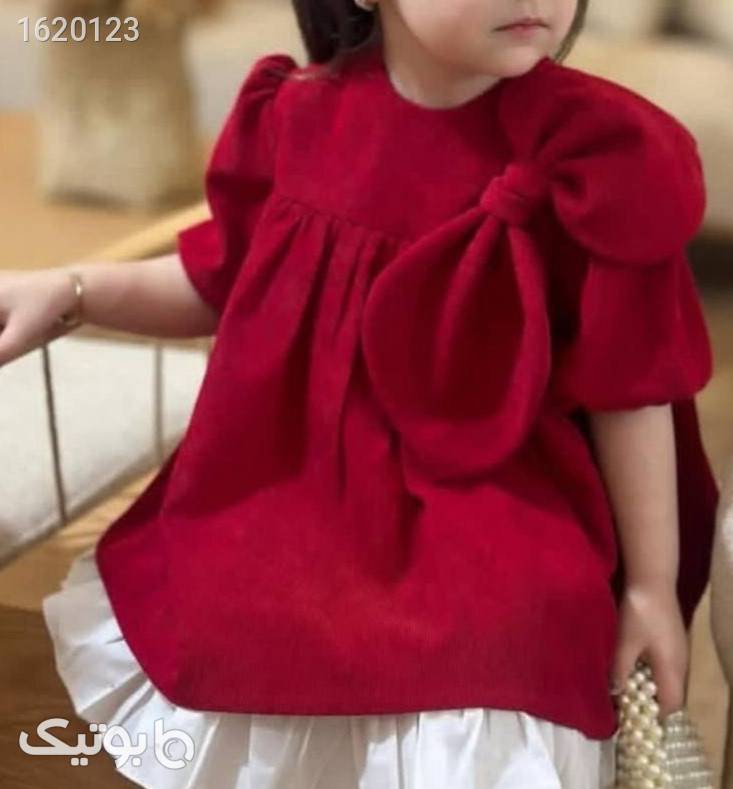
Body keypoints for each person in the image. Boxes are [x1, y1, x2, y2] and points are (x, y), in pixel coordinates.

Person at [0, 0, 719, 786]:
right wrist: (70, 290)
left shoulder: (598, 157)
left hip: (492, 496)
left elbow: (630, 384)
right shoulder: (298, 114)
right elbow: (218, 278)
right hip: (287, 491)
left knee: (511, 646)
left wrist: (649, 586)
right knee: (229, 625)